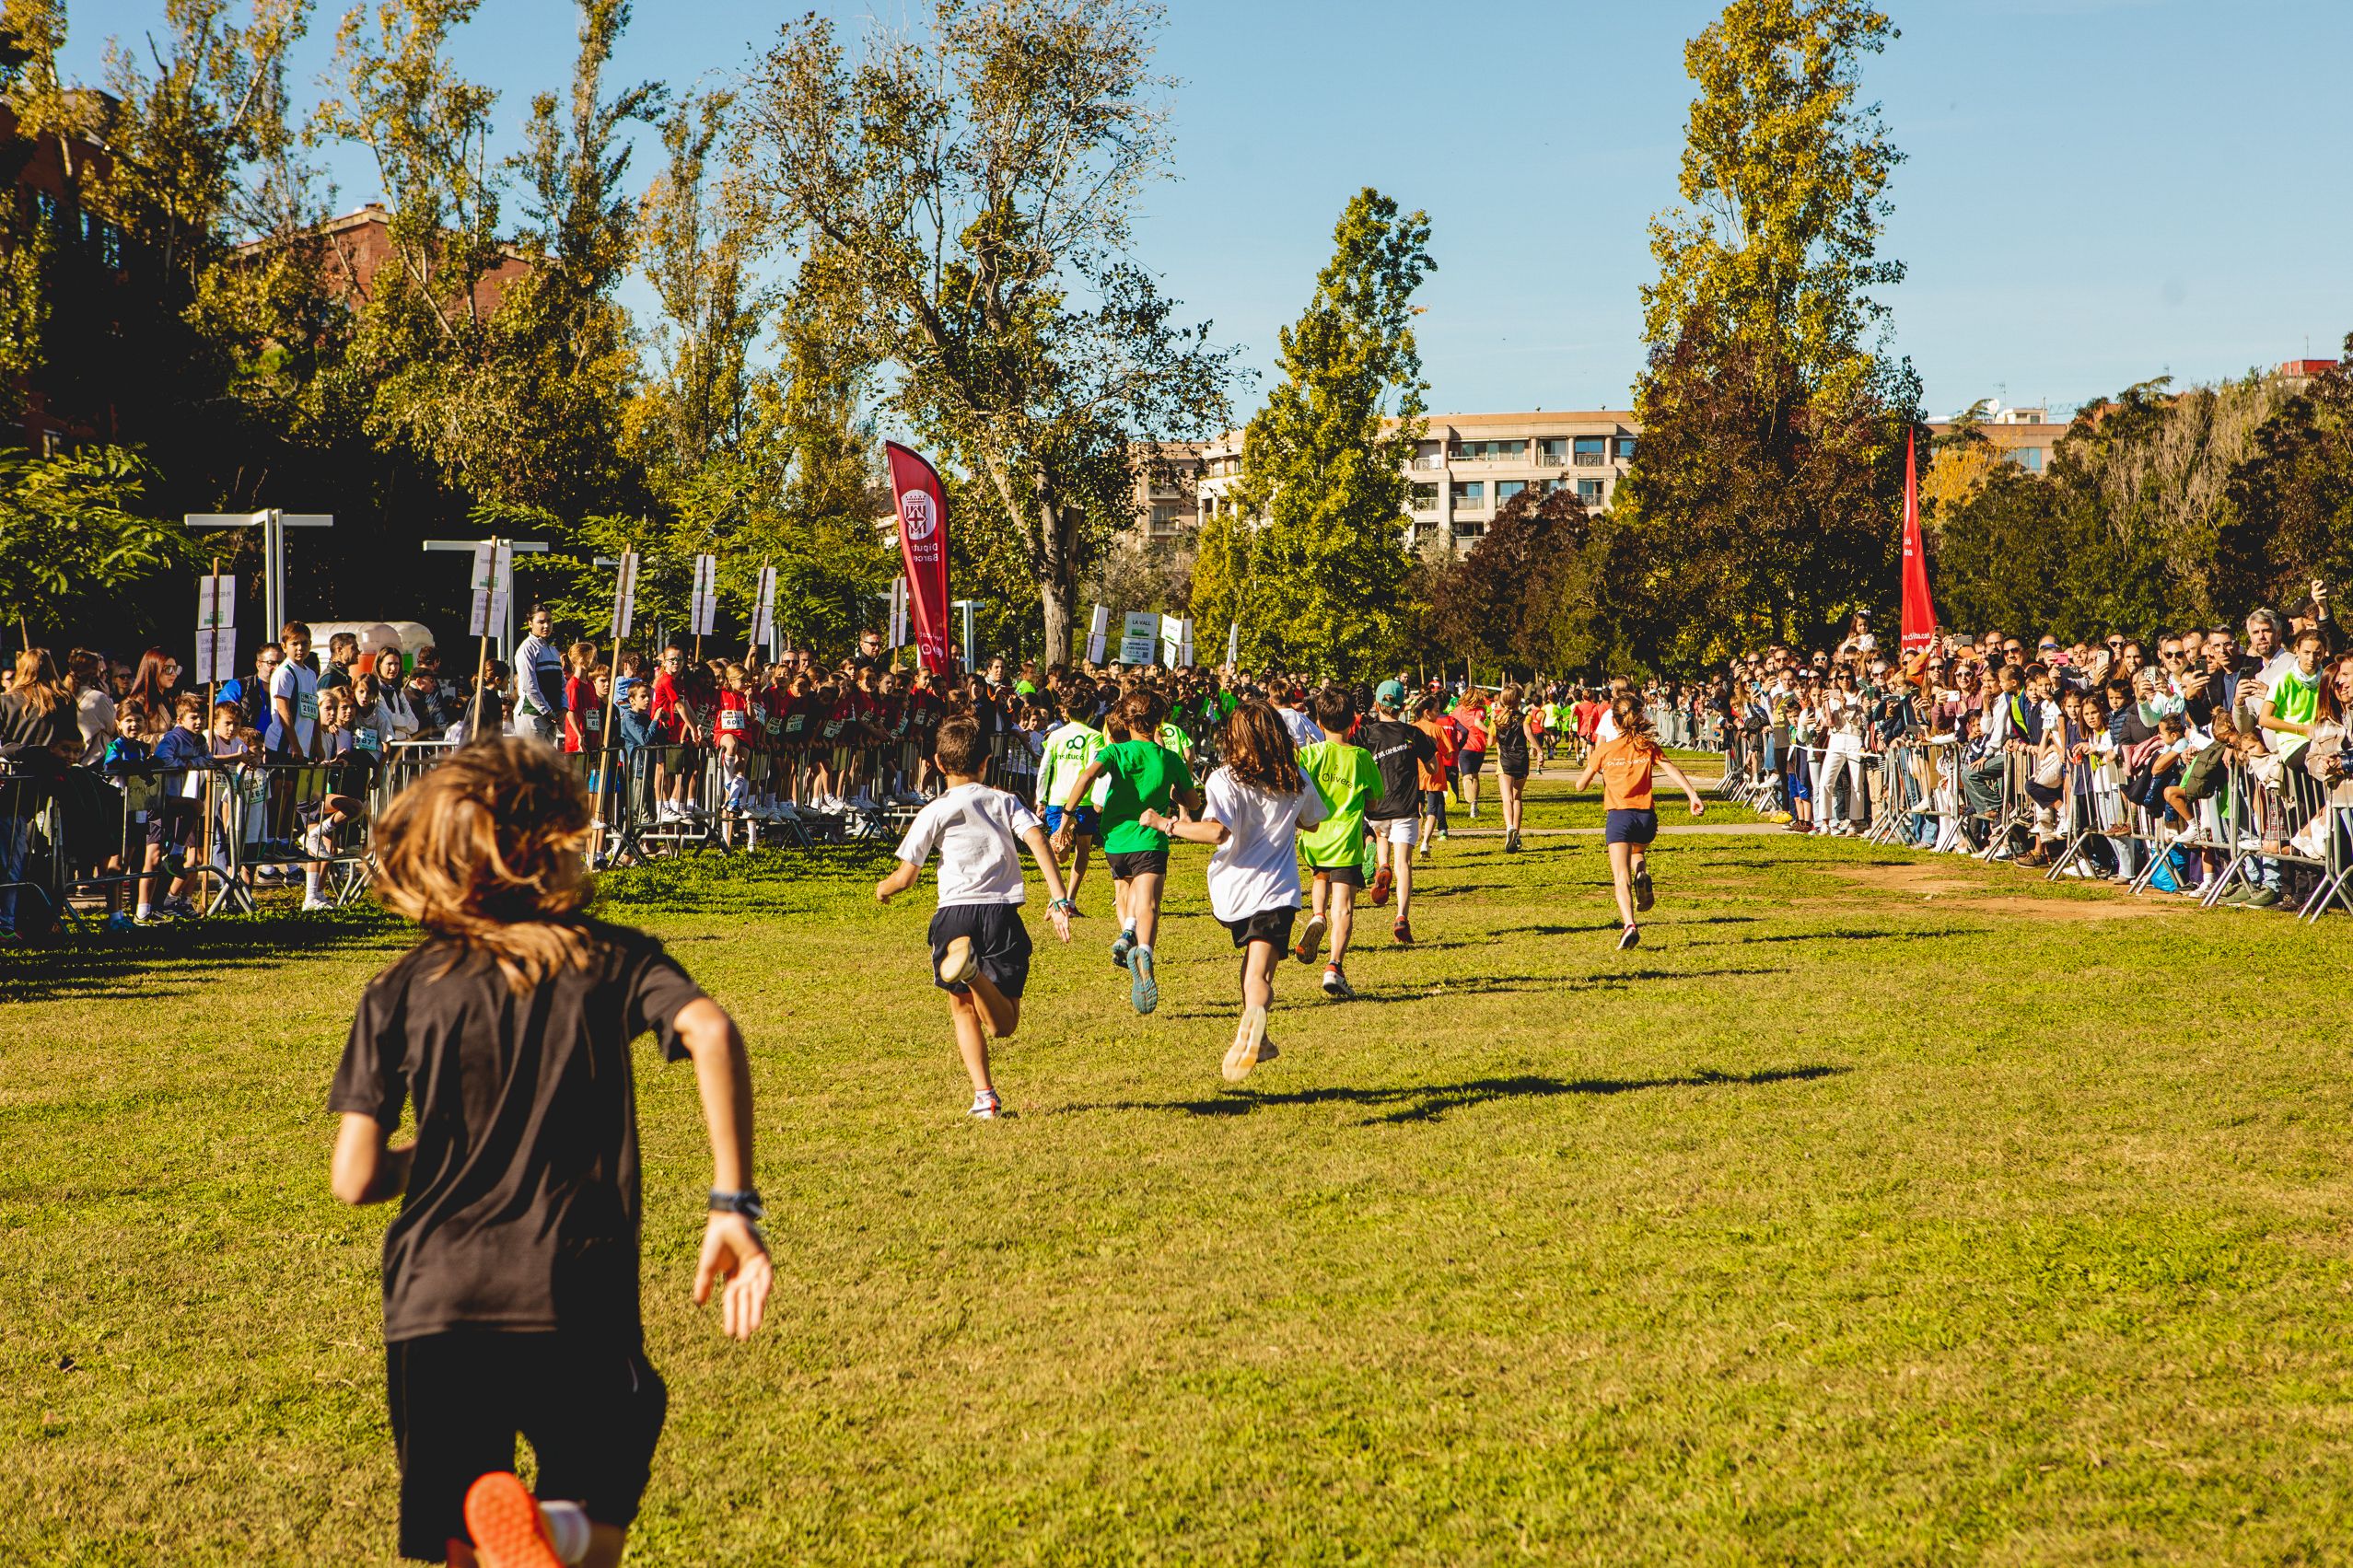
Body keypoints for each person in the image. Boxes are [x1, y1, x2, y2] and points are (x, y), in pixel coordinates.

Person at [328, 738, 772, 1568]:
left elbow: (355, 1178)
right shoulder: (609, 956)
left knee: (466, 1534)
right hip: (571, 1283)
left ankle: (509, 1533)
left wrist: (443, 1148)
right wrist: (730, 1203)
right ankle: (557, 1529)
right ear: (554, 841)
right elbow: (708, 1029)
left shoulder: (396, 988)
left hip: (436, 1298)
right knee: (597, 1497)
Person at [876, 714, 1075, 1119]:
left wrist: (884, 889)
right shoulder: (1003, 801)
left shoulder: (934, 810)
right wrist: (1058, 899)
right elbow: (1036, 839)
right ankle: (973, 975)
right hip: (999, 913)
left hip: (953, 916)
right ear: (987, 762)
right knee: (1004, 1025)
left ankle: (984, 1096)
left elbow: (906, 876)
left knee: (962, 1010)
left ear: (935, 761)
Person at [1142, 700, 1324, 1083]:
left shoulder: (1223, 778)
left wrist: (1165, 824)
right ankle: (1258, 1027)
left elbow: (1216, 831)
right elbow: (1313, 824)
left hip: (1237, 892)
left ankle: (1262, 1036)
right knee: (1259, 975)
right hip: (1278, 892)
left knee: (1251, 974)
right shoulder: (1295, 777)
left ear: (1233, 737)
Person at [1052, 691, 1200, 1015]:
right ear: (1159, 721)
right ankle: (1143, 947)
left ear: (1128, 721)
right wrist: (1176, 792)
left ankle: (1127, 932)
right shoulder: (1171, 759)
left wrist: (1066, 816)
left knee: (1124, 893)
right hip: (1150, 837)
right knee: (1148, 902)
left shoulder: (1115, 751)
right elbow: (1193, 803)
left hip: (1116, 841)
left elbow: (1086, 776)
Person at [1572, 695, 1707, 950]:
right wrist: (1693, 795)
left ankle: (1629, 925)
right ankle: (1641, 872)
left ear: (1614, 721)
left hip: (1619, 816)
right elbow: (1671, 768)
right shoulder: (1647, 745)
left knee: (1620, 877)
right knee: (1637, 850)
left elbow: (1580, 786)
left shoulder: (1605, 750)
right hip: (1646, 819)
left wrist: (1600, 771)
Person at [1293, 684, 1380, 1001]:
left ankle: (1316, 915)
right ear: (1353, 719)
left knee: (1320, 877)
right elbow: (1373, 802)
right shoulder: (1361, 757)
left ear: (1318, 720)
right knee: (1343, 906)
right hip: (1346, 841)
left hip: (1315, 838)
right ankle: (1334, 966)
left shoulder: (1308, 754)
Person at [1356, 679, 1435, 945]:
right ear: (1402, 707)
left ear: (1377, 704)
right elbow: (1433, 767)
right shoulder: (1413, 733)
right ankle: (1401, 916)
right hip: (1406, 806)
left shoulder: (1366, 735)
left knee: (1380, 835)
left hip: (1376, 807)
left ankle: (1382, 865)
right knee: (1405, 864)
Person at [1034, 691, 1105, 913]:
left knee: (1062, 852)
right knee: (1080, 850)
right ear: (1092, 712)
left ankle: (1063, 898)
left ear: (1066, 711)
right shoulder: (1095, 736)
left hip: (1057, 799)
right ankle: (1069, 900)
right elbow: (1096, 771)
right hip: (1083, 799)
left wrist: (1040, 798)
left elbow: (1044, 769)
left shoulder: (1055, 735)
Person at [513, 605, 566, 748]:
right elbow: (529, 686)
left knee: (546, 765)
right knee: (531, 764)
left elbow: (562, 684)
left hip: (552, 716)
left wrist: (563, 708)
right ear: (530, 623)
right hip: (533, 715)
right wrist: (548, 711)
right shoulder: (527, 649)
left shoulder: (553, 650)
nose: (546, 625)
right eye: (541, 622)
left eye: (549, 621)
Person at [1492, 684, 1533, 853]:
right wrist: (1539, 750)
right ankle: (1517, 834)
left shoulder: (1497, 719)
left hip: (1505, 761)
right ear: (1518, 700)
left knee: (1506, 798)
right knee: (1518, 797)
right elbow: (1529, 734)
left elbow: (1490, 742)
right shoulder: (1525, 718)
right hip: (1522, 760)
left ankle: (1510, 828)